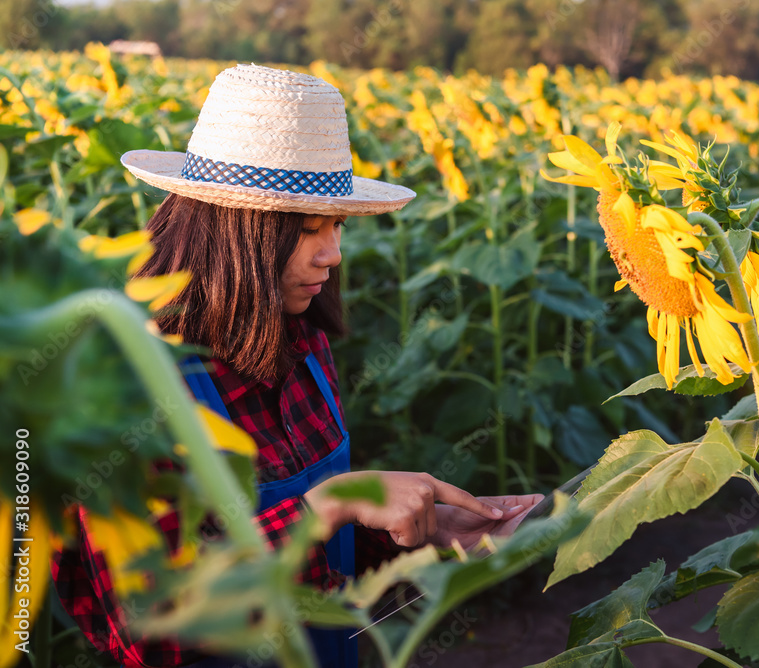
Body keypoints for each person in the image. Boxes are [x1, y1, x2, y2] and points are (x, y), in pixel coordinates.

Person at [50, 63, 541, 668]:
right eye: (309, 229)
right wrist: (324, 508)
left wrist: (424, 531)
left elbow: (323, 566)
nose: (332, 254)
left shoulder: (302, 344)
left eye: (336, 225)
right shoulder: (125, 382)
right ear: (233, 233)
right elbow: (150, 625)